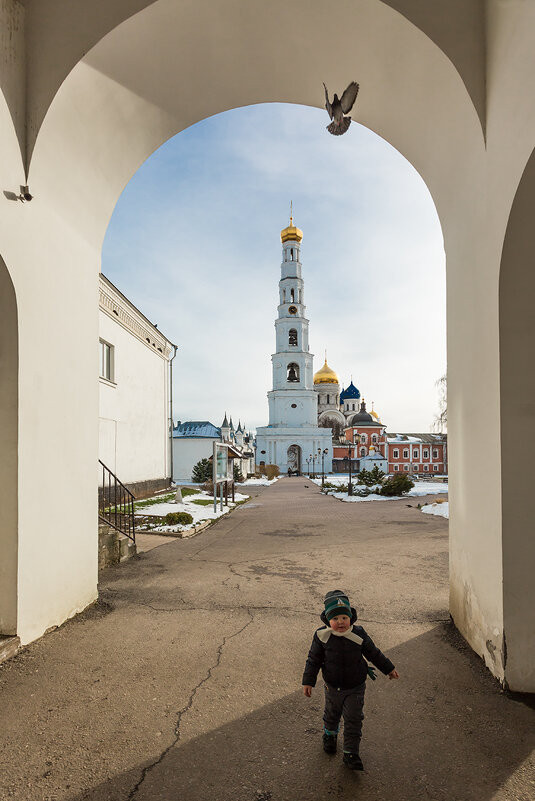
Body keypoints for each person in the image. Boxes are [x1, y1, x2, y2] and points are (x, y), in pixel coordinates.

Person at [302, 589, 399, 770]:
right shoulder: (322, 636)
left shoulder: (358, 634)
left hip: (355, 686)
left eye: (344, 618)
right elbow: (313, 659)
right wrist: (308, 681)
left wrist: (389, 668)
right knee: (331, 714)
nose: (340, 622)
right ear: (327, 620)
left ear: (350, 618)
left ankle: (351, 753)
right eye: (336, 618)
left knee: (354, 718)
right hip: (332, 686)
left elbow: (373, 653)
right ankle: (330, 735)